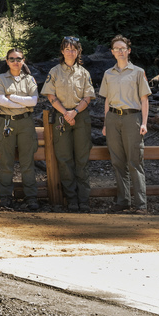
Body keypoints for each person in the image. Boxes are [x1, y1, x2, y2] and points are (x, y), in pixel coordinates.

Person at [42, 36, 95, 211]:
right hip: (61, 117)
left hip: (80, 116)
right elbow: (51, 96)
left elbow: (87, 97)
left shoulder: (84, 73)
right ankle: (71, 199)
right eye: (67, 48)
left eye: (74, 49)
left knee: (82, 159)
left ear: (78, 51)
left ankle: (84, 200)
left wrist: (74, 112)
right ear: (62, 51)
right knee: (64, 159)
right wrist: (65, 113)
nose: (70, 52)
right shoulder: (55, 71)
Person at [100, 34, 151, 215]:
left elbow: (144, 100)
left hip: (132, 119)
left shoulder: (138, 72)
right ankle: (123, 201)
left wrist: (144, 123)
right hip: (113, 119)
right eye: (116, 49)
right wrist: (106, 123)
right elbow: (107, 101)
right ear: (112, 52)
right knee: (117, 161)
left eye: (123, 48)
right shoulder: (108, 74)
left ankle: (141, 204)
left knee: (135, 161)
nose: (120, 51)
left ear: (128, 51)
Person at [0, 48, 39, 211]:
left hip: (25, 123)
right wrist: (22, 102)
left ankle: (31, 197)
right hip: (6, 122)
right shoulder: (1, 78)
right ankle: (5, 196)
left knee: (27, 162)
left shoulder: (30, 80)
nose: (15, 62)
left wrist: (12, 97)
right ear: (7, 61)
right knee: (6, 162)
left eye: (18, 59)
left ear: (23, 60)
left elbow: (34, 102)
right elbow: (1, 101)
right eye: (11, 59)